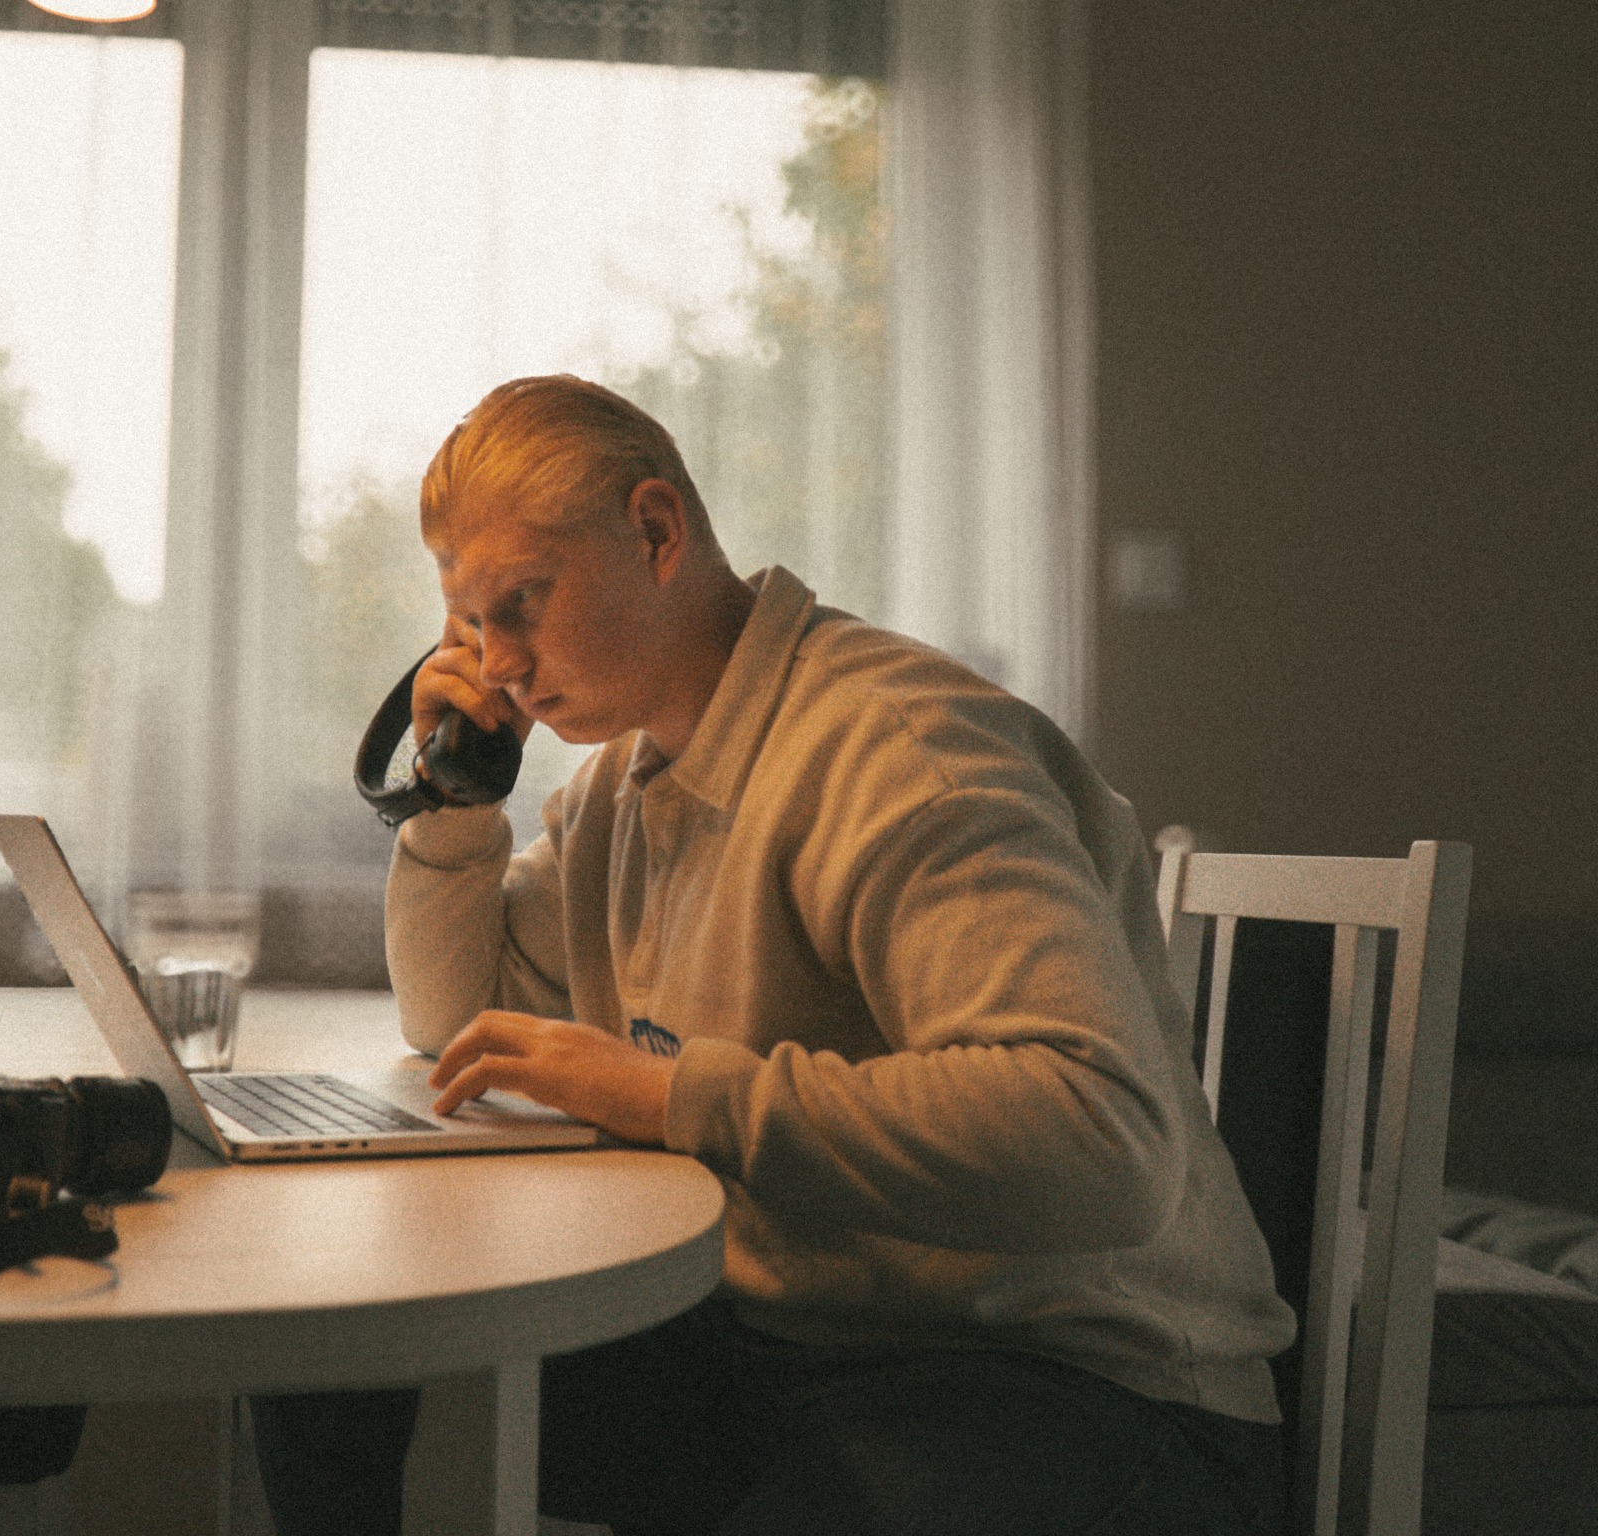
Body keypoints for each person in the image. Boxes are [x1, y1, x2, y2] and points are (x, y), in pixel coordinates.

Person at [253, 375, 1295, 1536]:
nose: (494, 663)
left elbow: (1100, 1138)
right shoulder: (618, 789)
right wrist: (451, 798)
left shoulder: (900, 757)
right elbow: (456, 1021)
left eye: (525, 602)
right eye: (470, 621)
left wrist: (673, 1095)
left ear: (655, 532)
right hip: (788, 1349)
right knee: (344, 1349)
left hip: (1081, 1382)